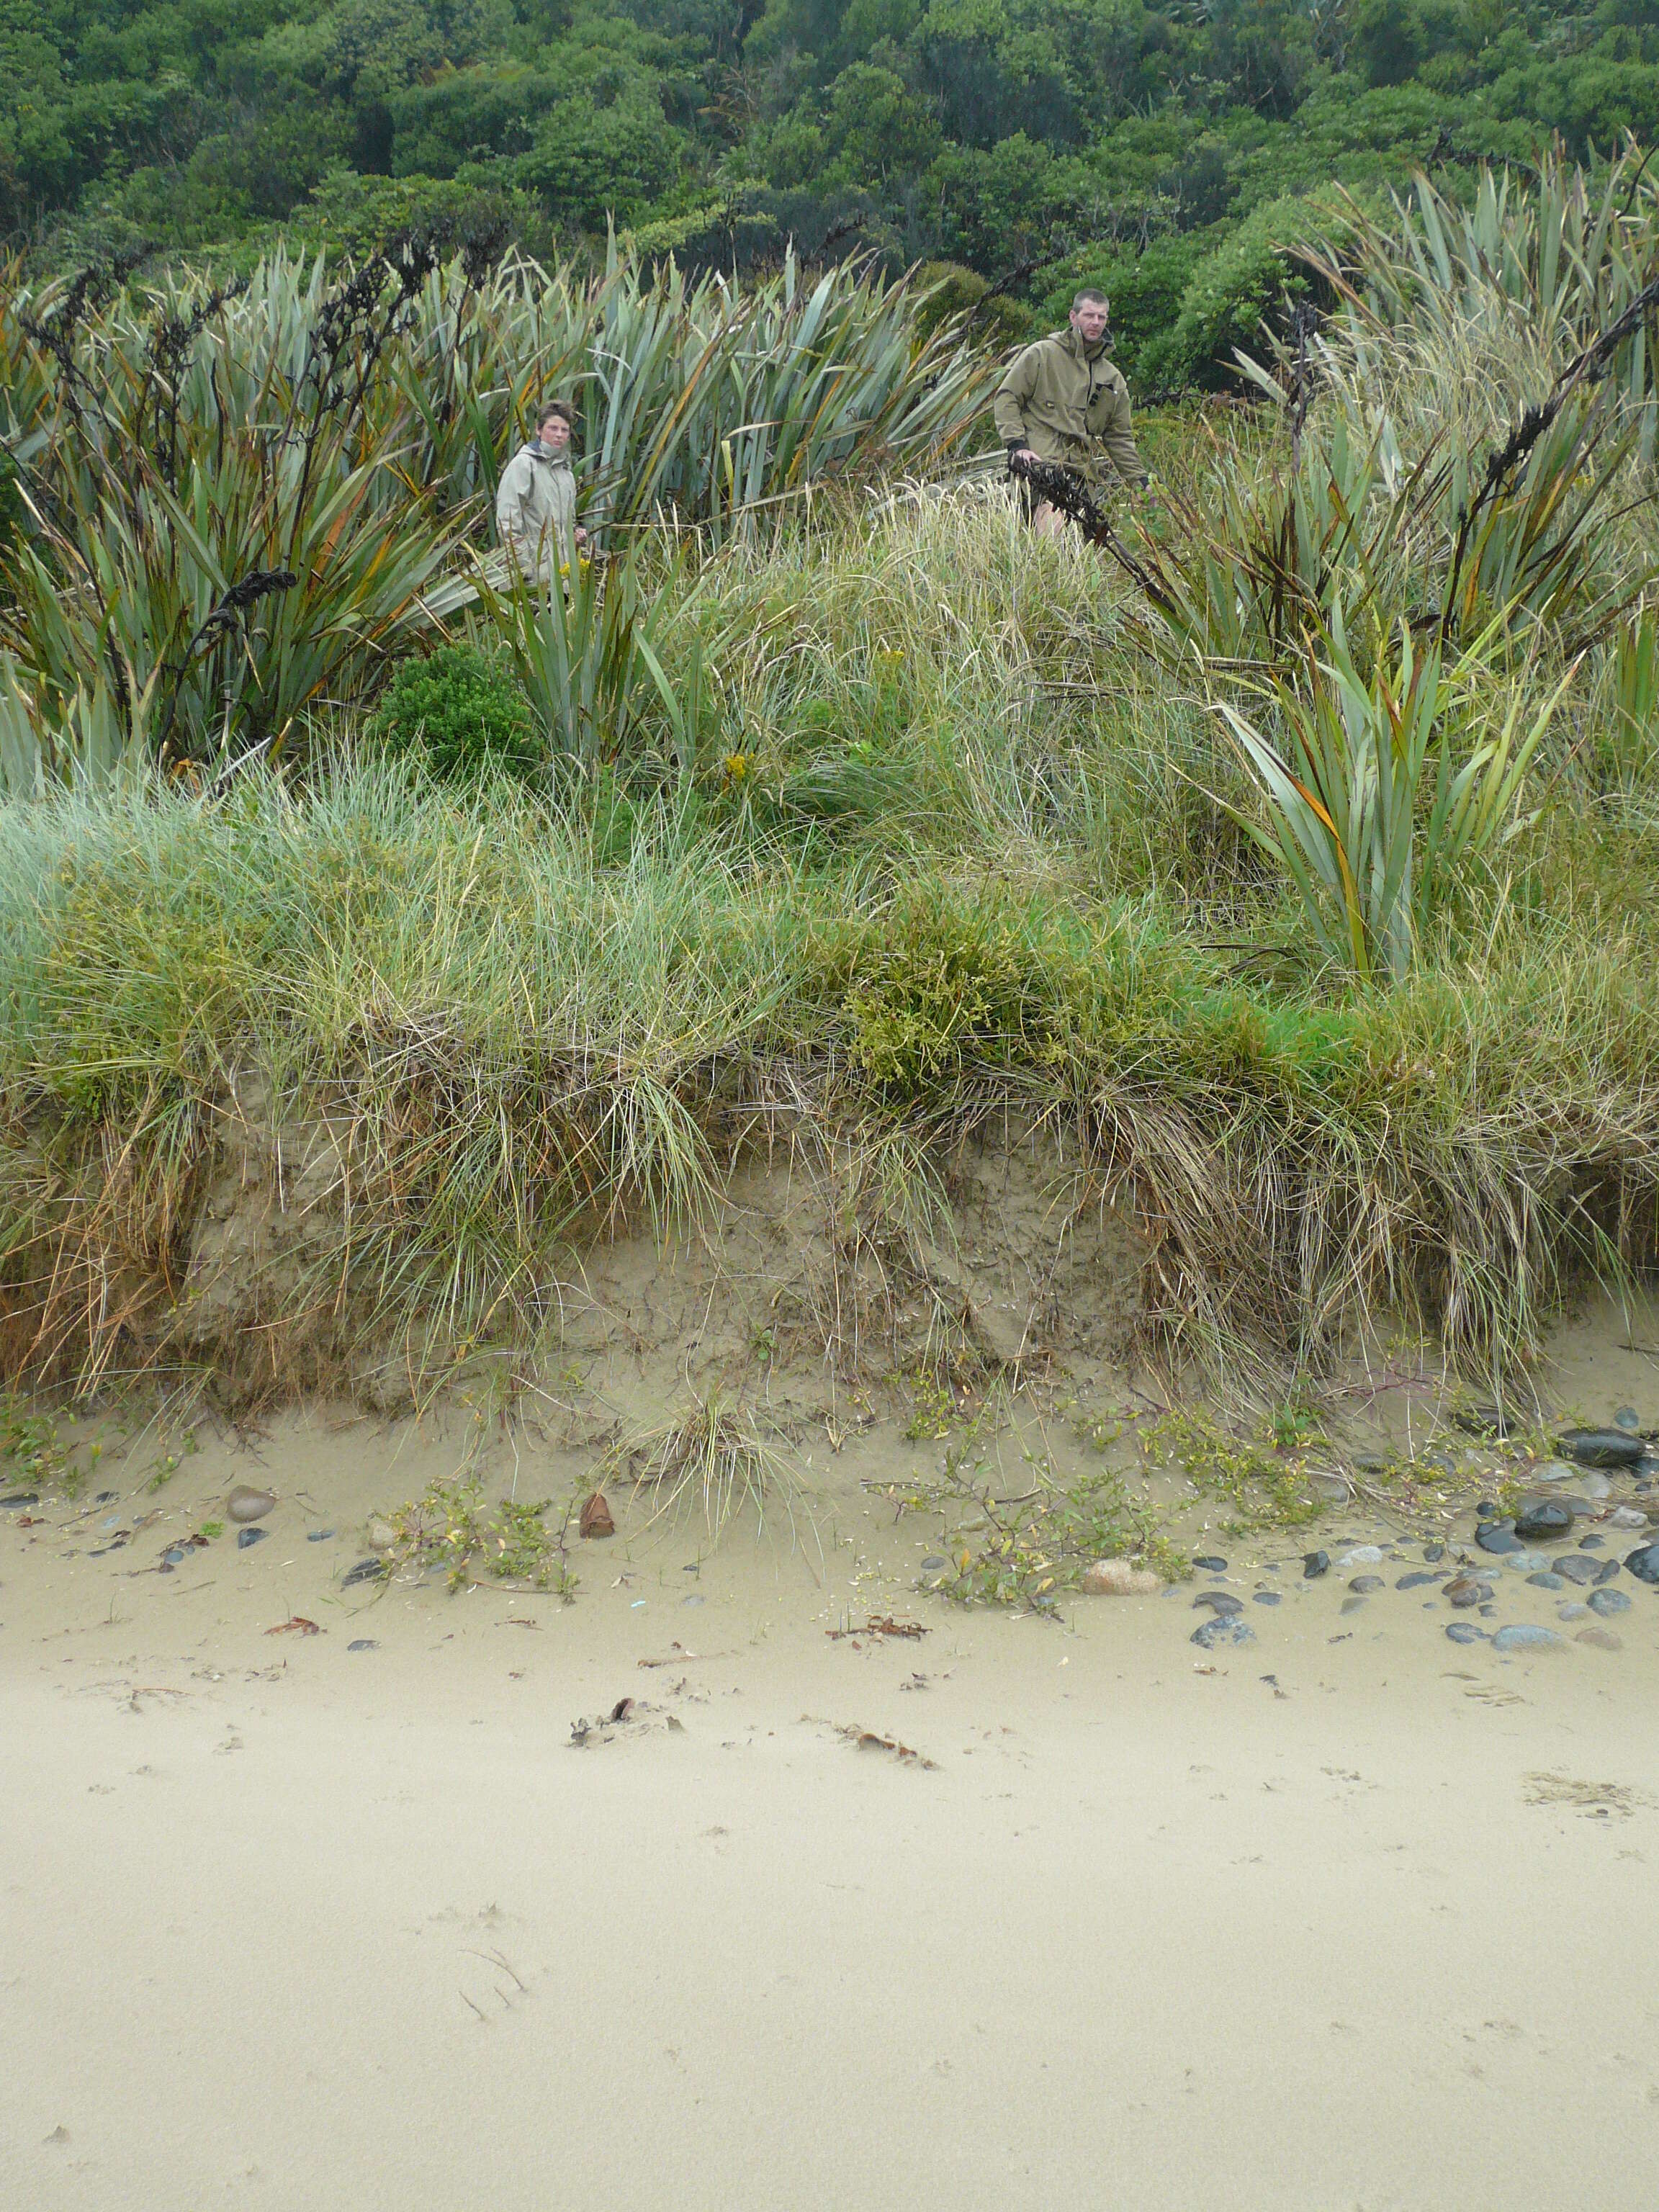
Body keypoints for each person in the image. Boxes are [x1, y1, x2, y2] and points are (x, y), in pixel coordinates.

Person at [993, 289, 1150, 536]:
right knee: (1052, 530)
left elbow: (1119, 438)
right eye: (1089, 315)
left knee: (1085, 549)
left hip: (1082, 477)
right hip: (1039, 466)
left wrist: (1140, 484)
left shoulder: (1112, 379)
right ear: (1073, 317)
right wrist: (1017, 445)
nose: (1095, 323)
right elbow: (1007, 397)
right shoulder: (1042, 354)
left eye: (1102, 317)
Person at [495, 400, 588, 586]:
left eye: (564, 430)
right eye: (553, 428)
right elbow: (507, 522)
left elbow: (565, 524)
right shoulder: (523, 465)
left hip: (561, 579)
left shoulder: (566, 474)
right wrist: (525, 568)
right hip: (529, 580)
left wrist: (576, 540)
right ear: (538, 429)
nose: (559, 435)